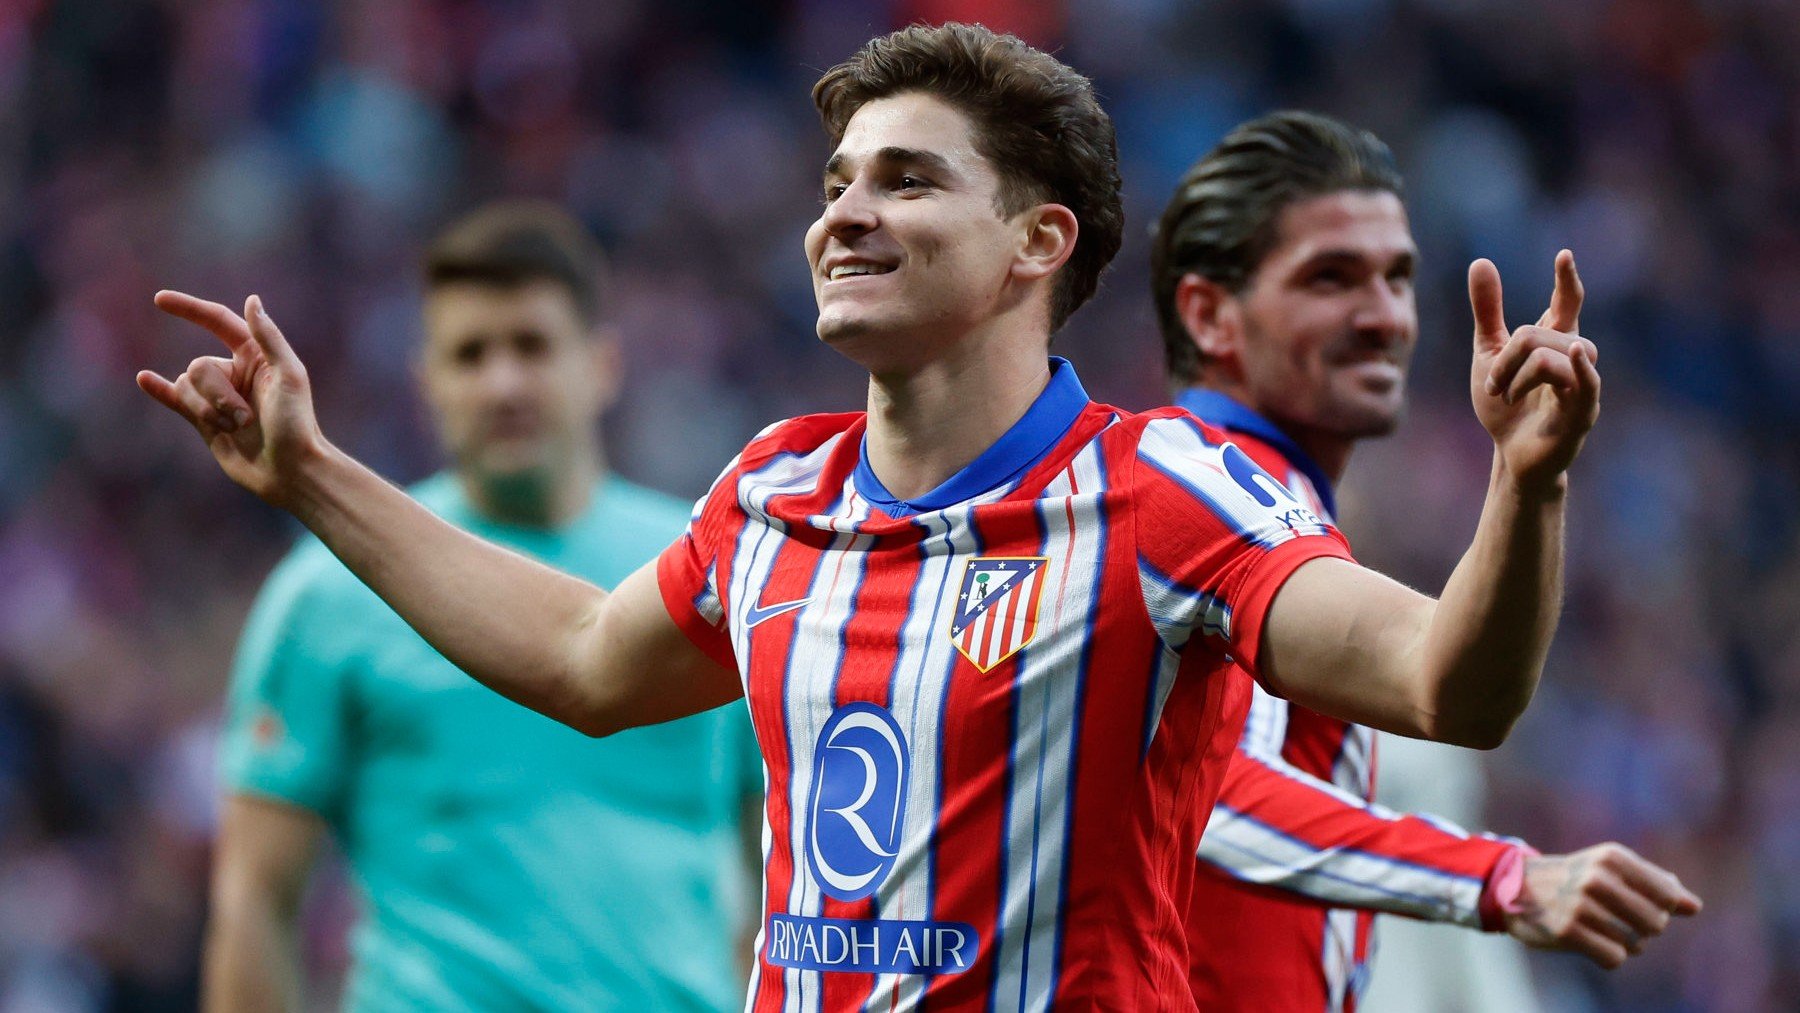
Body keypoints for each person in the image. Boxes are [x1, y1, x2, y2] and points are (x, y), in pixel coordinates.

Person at [141, 24, 1615, 1011]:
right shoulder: (778, 489)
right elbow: (588, 661)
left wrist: (1526, 486)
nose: (845, 212)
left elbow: (1447, 688)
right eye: (837, 182)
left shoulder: (1162, 491)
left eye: (907, 181)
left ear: (1039, 243)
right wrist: (315, 473)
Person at [1150, 112, 1701, 1012]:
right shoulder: (1203, 501)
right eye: (1332, 278)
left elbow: (1464, 699)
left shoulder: (1273, 511)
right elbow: (1211, 799)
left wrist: (1530, 481)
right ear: (1210, 312)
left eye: (1398, 277)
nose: (1385, 316)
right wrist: (1497, 874)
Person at [200, 202, 760, 1011]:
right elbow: (255, 899)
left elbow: (776, 875)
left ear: (602, 364)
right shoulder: (328, 593)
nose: (503, 382)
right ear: (427, 383)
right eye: (470, 354)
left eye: (532, 346)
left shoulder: (709, 577)